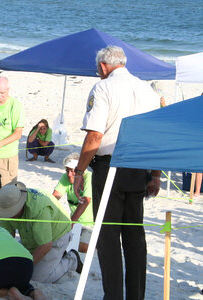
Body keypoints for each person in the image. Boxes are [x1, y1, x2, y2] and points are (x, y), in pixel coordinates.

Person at [73, 46, 161, 300]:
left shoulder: (103, 87)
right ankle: (136, 296)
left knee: (108, 236)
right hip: (139, 164)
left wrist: (79, 171)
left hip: (111, 165)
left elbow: (95, 134)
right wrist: (155, 174)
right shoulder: (147, 89)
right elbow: (154, 137)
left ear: (103, 66)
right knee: (135, 236)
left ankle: (113, 296)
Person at [0, 182, 82, 284]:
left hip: (56, 236)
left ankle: (72, 259)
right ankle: (54, 258)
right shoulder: (5, 204)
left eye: (12, 212)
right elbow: (7, 240)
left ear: (20, 204)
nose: (9, 215)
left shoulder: (38, 209)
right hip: (30, 238)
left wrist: (25, 268)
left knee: (36, 278)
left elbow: (45, 245)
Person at [52, 152, 93, 253]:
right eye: (67, 171)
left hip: (90, 224)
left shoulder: (89, 177)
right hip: (74, 223)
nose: (69, 174)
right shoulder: (65, 177)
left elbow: (86, 201)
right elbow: (54, 198)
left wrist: (71, 223)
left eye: (72, 171)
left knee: (82, 248)